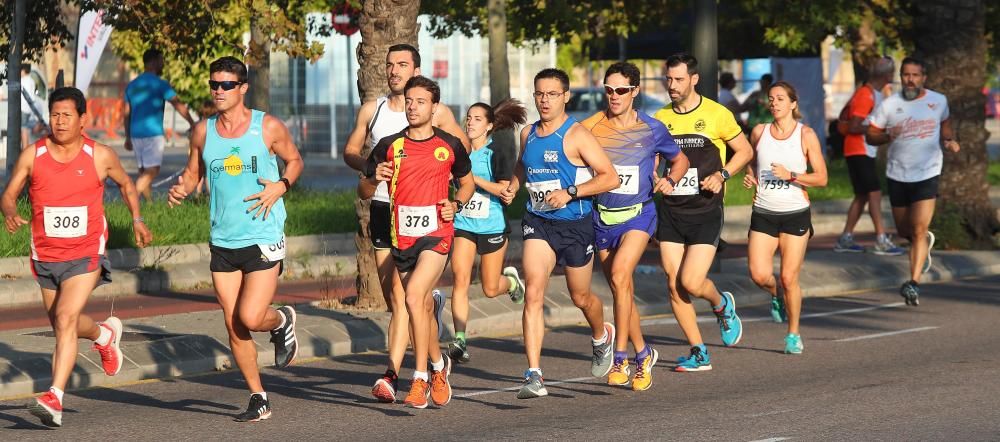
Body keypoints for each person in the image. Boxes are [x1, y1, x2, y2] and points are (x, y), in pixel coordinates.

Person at [1, 87, 153, 427]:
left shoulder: (99, 155)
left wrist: (137, 219)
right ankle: (104, 336)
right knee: (61, 322)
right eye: (54, 114)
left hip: (86, 253)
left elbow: (127, 185)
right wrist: (9, 211)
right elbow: (9, 195)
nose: (59, 121)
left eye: (67, 115)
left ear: (83, 119)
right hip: (45, 254)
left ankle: (54, 396)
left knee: (66, 319)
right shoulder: (33, 154)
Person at [167, 56, 302, 422]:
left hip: (262, 234)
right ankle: (259, 397)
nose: (219, 91)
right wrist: (183, 189)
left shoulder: (267, 127)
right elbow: (193, 174)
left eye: (227, 85)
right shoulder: (202, 131)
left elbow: (295, 161)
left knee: (251, 315)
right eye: (215, 84)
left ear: (242, 88)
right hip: (223, 238)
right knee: (233, 323)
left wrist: (281, 185)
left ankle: (282, 321)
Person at [342, 44, 469, 403]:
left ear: (416, 68)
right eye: (389, 65)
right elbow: (353, 152)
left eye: (402, 64)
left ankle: (394, 374)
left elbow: (461, 154)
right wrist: (372, 168)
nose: (394, 70)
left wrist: (443, 188)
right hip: (386, 212)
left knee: (407, 298)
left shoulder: (437, 110)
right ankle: (435, 358)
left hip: (428, 218)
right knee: (397, 299)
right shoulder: (374, 109)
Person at [499, 68, 619, 399]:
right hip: (538, 221)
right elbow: (524, 165)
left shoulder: (577, 135)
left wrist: (571, 192)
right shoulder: (528, 133)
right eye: (540, 94)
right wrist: (513, 184)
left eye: (552, 94)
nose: (545, 100)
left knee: (580, 296)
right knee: (534, 291)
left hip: (575, 225)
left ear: (566, 96)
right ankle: (533, 374)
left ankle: (600, 336)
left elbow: (610, 177)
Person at [582, 62, 688, 391]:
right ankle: (644, 353)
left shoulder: (652, 129)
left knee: (619, 276)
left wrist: (671, 179)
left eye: (621, 90)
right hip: (602, 217)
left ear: (635, 91)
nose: (614, 96)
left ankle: (621, 357)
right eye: (609, 90)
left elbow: (680, 158)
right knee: (621, 289)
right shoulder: (590, 127)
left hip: (639, 215)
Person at [653, 53, 753, 372]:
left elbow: (745, 150)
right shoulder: (660, 117)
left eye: (679, 79)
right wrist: (657, 179)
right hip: (671, 211)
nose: (672, 85)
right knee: (673, 283)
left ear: (694, 79)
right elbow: (654, 162)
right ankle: (699, 351)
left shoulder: (716, 114)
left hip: (705, 210)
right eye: (668, 79)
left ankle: (721, 304)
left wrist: (722, 175)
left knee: (692, 282)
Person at [867, 56, 960, 306]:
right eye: (906, 75)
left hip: (927, 172)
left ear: (923, 78)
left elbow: (945, 123)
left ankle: (913, 282)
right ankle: (921, 244)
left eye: (915, 75)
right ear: (901, 77)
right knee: (904, 231)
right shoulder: (889, 105)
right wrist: (887, 135)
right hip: (898, 173)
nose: (910, 80)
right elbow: (870, 135)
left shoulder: (938, 101)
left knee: (919, 229)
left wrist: (949, 140)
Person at [743, 81, 828, 352]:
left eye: (780, 98)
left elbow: (822, 178)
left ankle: (793, 334)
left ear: (793, 103)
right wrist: (750, 174)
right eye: (771, 98)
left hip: (795, 214)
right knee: (759, 274)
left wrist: (791, 175)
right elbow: (749, 157)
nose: (774, 103)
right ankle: (775, 295)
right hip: (764, 211)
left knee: (789, 278)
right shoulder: (760, 132)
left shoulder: (806, 135)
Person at [447, 99, 528, 364]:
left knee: (491, 288)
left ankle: (513, 283)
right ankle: (460, 339)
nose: (470, 122)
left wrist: (470, 179)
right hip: (463, 224)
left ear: (490, 126)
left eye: (477, 119)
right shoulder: (458, 151)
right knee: (460, 279)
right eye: (468, 117)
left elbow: (505, 191)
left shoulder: (496, 152)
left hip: (492, 225)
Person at [834, 57, 904, 255]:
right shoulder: (866, 95)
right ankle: (881, 238)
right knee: (874, 192)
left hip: (861, 150)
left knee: (862, 195)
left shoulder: (875, 94)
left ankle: (845, 238)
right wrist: (878, 130)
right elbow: (855, 126)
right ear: (887, 75)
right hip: (859, 149)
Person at [125, 49, 196, 202]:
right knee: (153, 170)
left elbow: (126, 113)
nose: (163, 63)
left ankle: (149, 205)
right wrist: (192, 122)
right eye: (161, 60)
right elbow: (178, 105)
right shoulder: (160, 84)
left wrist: (127, 136)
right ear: (154, 62)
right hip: (152, 133)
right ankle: (131, 198)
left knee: (143, 172)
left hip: (135, 133)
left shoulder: (132, 85)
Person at [20, 64, 42, 150]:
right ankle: (26, 147)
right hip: (29, 108)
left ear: (23, 71)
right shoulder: (31, 81)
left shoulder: (22, 80)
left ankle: (24, 148)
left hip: (23, 107)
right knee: (25, 126)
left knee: (23, 127)